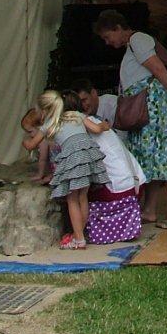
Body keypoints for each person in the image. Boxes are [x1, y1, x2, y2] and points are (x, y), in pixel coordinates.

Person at [93, 5, 167, 229]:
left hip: (153, 106)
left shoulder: (138, 39)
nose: (108, 42)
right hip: (148, 106)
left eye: (108, 36)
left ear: (118, 28)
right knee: (150, 156)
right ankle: (149, 209)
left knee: (165, 153)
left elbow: (158, 69)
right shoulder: (132, 44)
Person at [72, 79, 147, 243]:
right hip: (137, 182)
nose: (83, 105)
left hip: (122, 189)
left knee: (78, 193)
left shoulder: (83, 127)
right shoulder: (97, 120)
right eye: (80, 102)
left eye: (84, 100)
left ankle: (80, 233)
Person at [39, 89, 110, 250]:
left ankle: (78, 239)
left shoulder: (50, 124)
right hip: (87, 158)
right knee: (83, 197)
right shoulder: (77, 116)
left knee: (72, 199)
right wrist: (105, 125)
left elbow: (31, 144)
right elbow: (97, 129)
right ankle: (80, 235)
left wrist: (29, 136)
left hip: (72, 162)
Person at [20, 107, 52, 183]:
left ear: (40, 128)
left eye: (30, 132)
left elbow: (42, 159)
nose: (29, 135)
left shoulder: (43, 140)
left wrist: (40, 175)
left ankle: (53, 175)